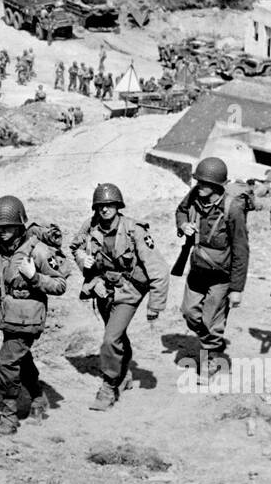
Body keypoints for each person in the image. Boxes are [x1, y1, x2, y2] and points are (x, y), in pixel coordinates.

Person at [0, 195, 68, 437]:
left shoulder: (38, 251)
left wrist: (35, 277)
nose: (3, 232)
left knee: (5, 365)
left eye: (8, 227)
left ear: (20, 225)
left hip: (29, 316)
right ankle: (38, 398)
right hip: (6, 314)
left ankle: (9, 417)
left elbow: (60, 284)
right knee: (21, 360)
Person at [70, 183, 169, 410]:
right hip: (103, 288)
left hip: (129, 290)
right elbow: (74, 246)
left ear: (118, 205)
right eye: (101, 206)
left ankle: (108, 386)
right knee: (116, 334)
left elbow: (158, 269)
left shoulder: (134, 230)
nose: (105, 209)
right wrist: (81, 258)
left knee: (110, 339)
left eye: (110, 205)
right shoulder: (91, 225)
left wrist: (155, 305)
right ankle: (124, 375)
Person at [174, 157, 249, 372]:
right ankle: (214, 343)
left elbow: (241, 251)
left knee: (210, 320)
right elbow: (180, 210)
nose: (198, 186)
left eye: (204, 183)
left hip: (221, 276)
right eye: (198, 182)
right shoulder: (195, 196)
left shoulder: (233, 209)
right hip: (197, 270)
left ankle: (209, 359)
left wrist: (236, 289)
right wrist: (183, 225)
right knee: (189, 313)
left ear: (216, 186)